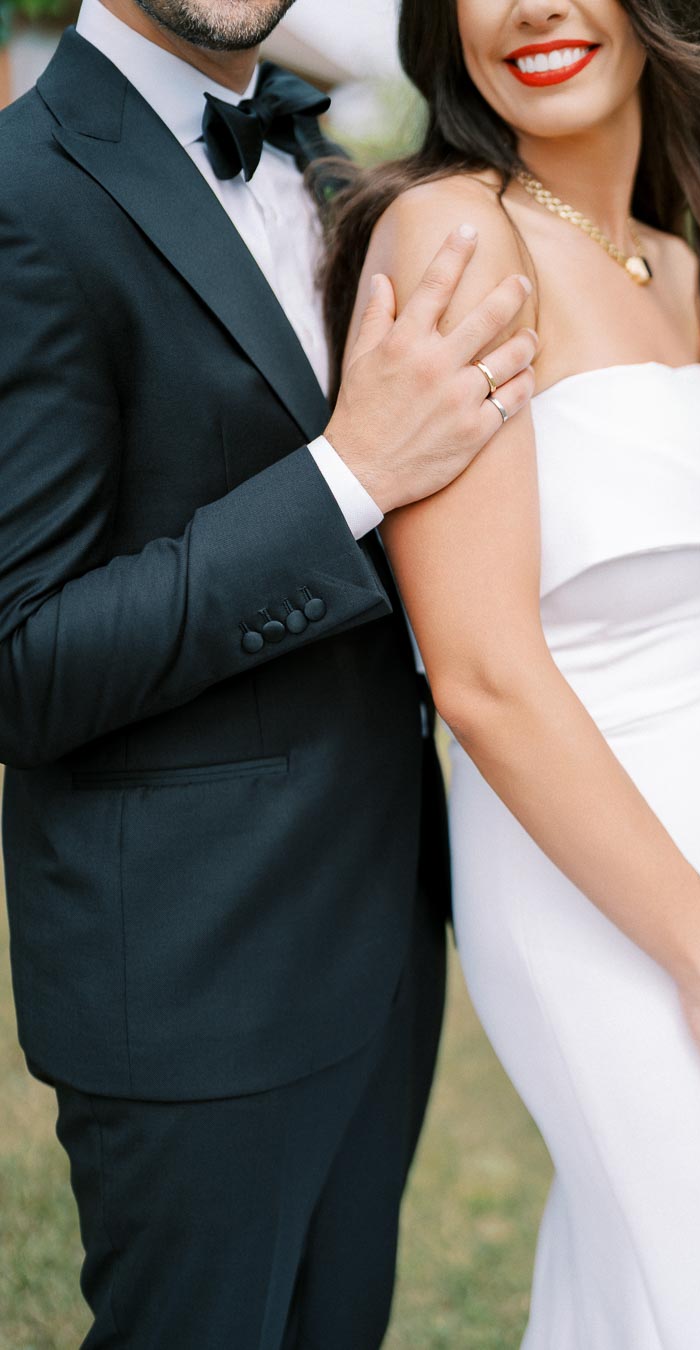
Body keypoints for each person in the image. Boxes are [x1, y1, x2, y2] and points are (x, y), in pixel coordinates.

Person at [321, 0, 700, 1344]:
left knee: (643, 1293)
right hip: (584, 893)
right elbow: (480, 673)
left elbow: (676, 627)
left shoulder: (674, 263)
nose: (533, 6)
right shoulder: (458, 233)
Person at [0, 0, 539, 1342]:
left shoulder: (331, 170)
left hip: (382, 940)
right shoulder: (24, 197)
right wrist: (348, 473)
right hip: (191, 980)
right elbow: (22, 663)